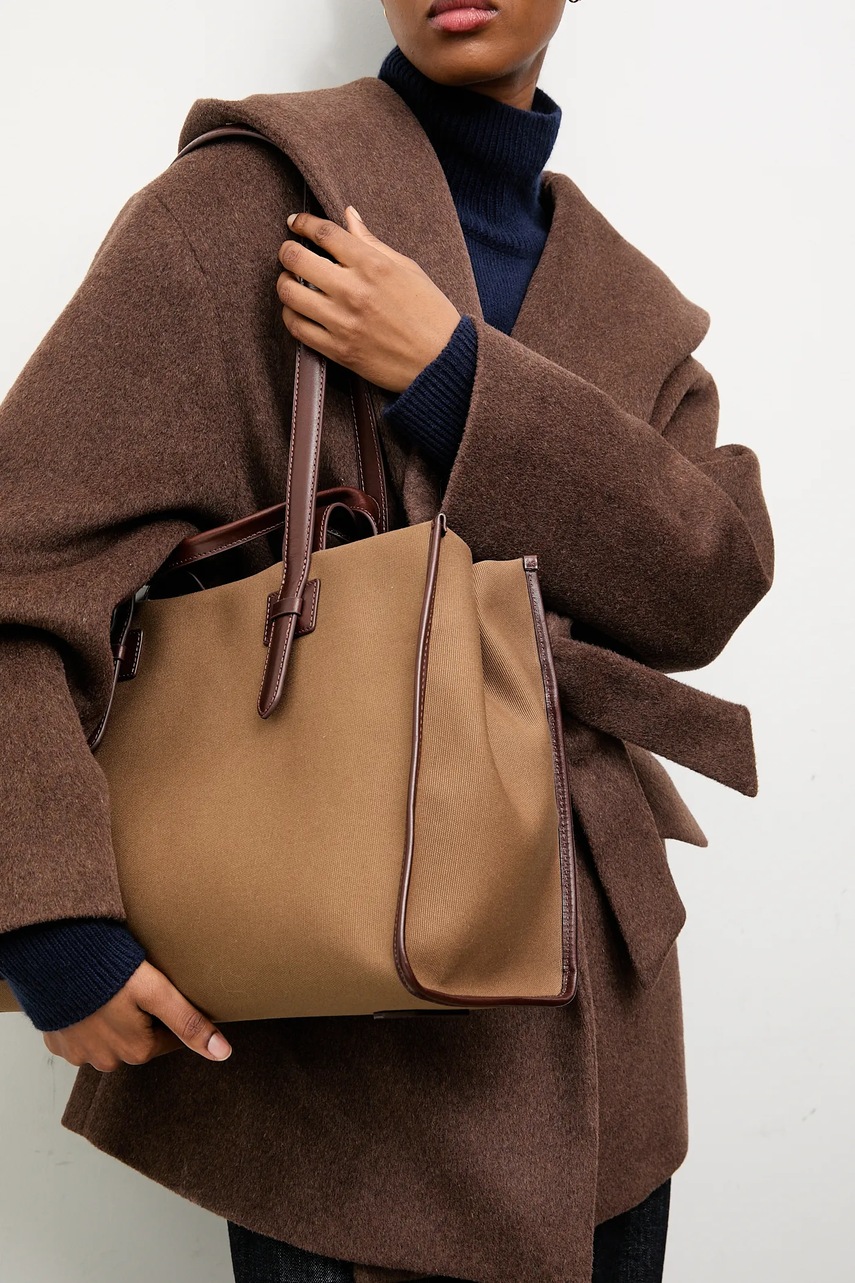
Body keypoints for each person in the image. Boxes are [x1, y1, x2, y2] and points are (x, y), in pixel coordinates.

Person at [0, 1, 774, 1280]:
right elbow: (18, 565)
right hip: (352, 1063)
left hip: (611, 1053)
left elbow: (708, 583)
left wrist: (451, 372)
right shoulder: (246, 212)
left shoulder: (633, 302)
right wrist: (48, 920)